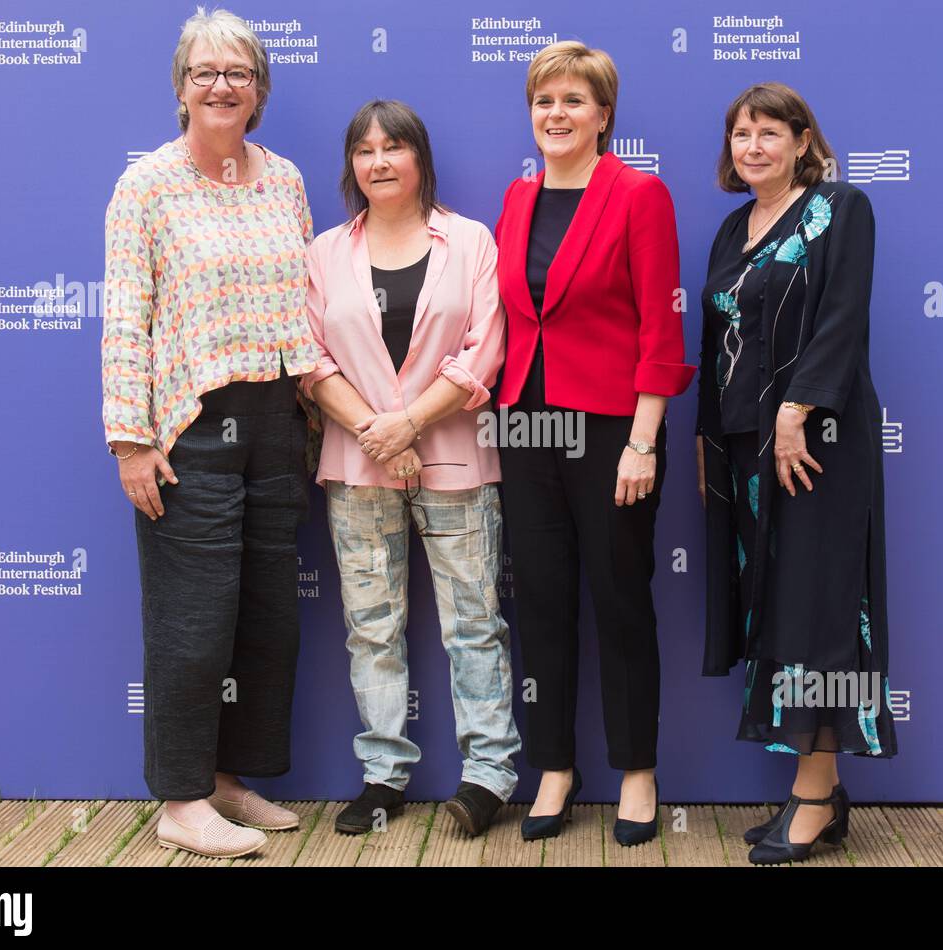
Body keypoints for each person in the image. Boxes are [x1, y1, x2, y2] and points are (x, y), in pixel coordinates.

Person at [101, 7, 322, 859]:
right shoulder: (147, 185)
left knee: (268, 617)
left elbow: (306, 305)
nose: (222, 85)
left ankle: (236, 779)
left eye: (238, 72)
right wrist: (129, 438)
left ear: (259, 90)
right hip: (190, 428)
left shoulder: (287, 180)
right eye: (206, 72)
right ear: (181, 89)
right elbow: (127, 316)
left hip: (277, 422)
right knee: (192, 621)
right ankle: (183, 798)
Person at [299, 100, 520, 839]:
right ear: (351, 166)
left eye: (394, 147)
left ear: (420, 157)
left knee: (474, 623)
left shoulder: (469, 242)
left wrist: (410, 423)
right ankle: (383, 774)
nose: (380, 162)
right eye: (365, 151)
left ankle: (489, 773)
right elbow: (309, 358)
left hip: (455, 458)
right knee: (371, 626)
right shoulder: (325, 251)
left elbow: (482, 350)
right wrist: (372, 429)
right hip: (356, 464)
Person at [493, 41, 695, 847]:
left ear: (604, 115)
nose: (557, 114)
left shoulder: (639, 196)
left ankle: (637, 771)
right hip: (525, 427)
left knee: (619, 599)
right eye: (544, 101)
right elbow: (513, 320)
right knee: (539, 602)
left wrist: (644, 442)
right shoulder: (517, 198)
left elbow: (662, 326)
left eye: (574, 100)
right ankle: (554, 767)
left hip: (615, 428)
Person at [695, 81, 898, 865]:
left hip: (819, 447)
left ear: (803, 140)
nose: (753, 146)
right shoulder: (730, 228)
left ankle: (813, 797)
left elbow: (843, 316)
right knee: (781, 610)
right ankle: (824, 788)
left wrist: (796, 411)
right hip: (748, 453)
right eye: (741, 133)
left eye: (769, 132)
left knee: (819, 613)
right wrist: (716, 449)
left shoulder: (840, 210)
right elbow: (718, 345)